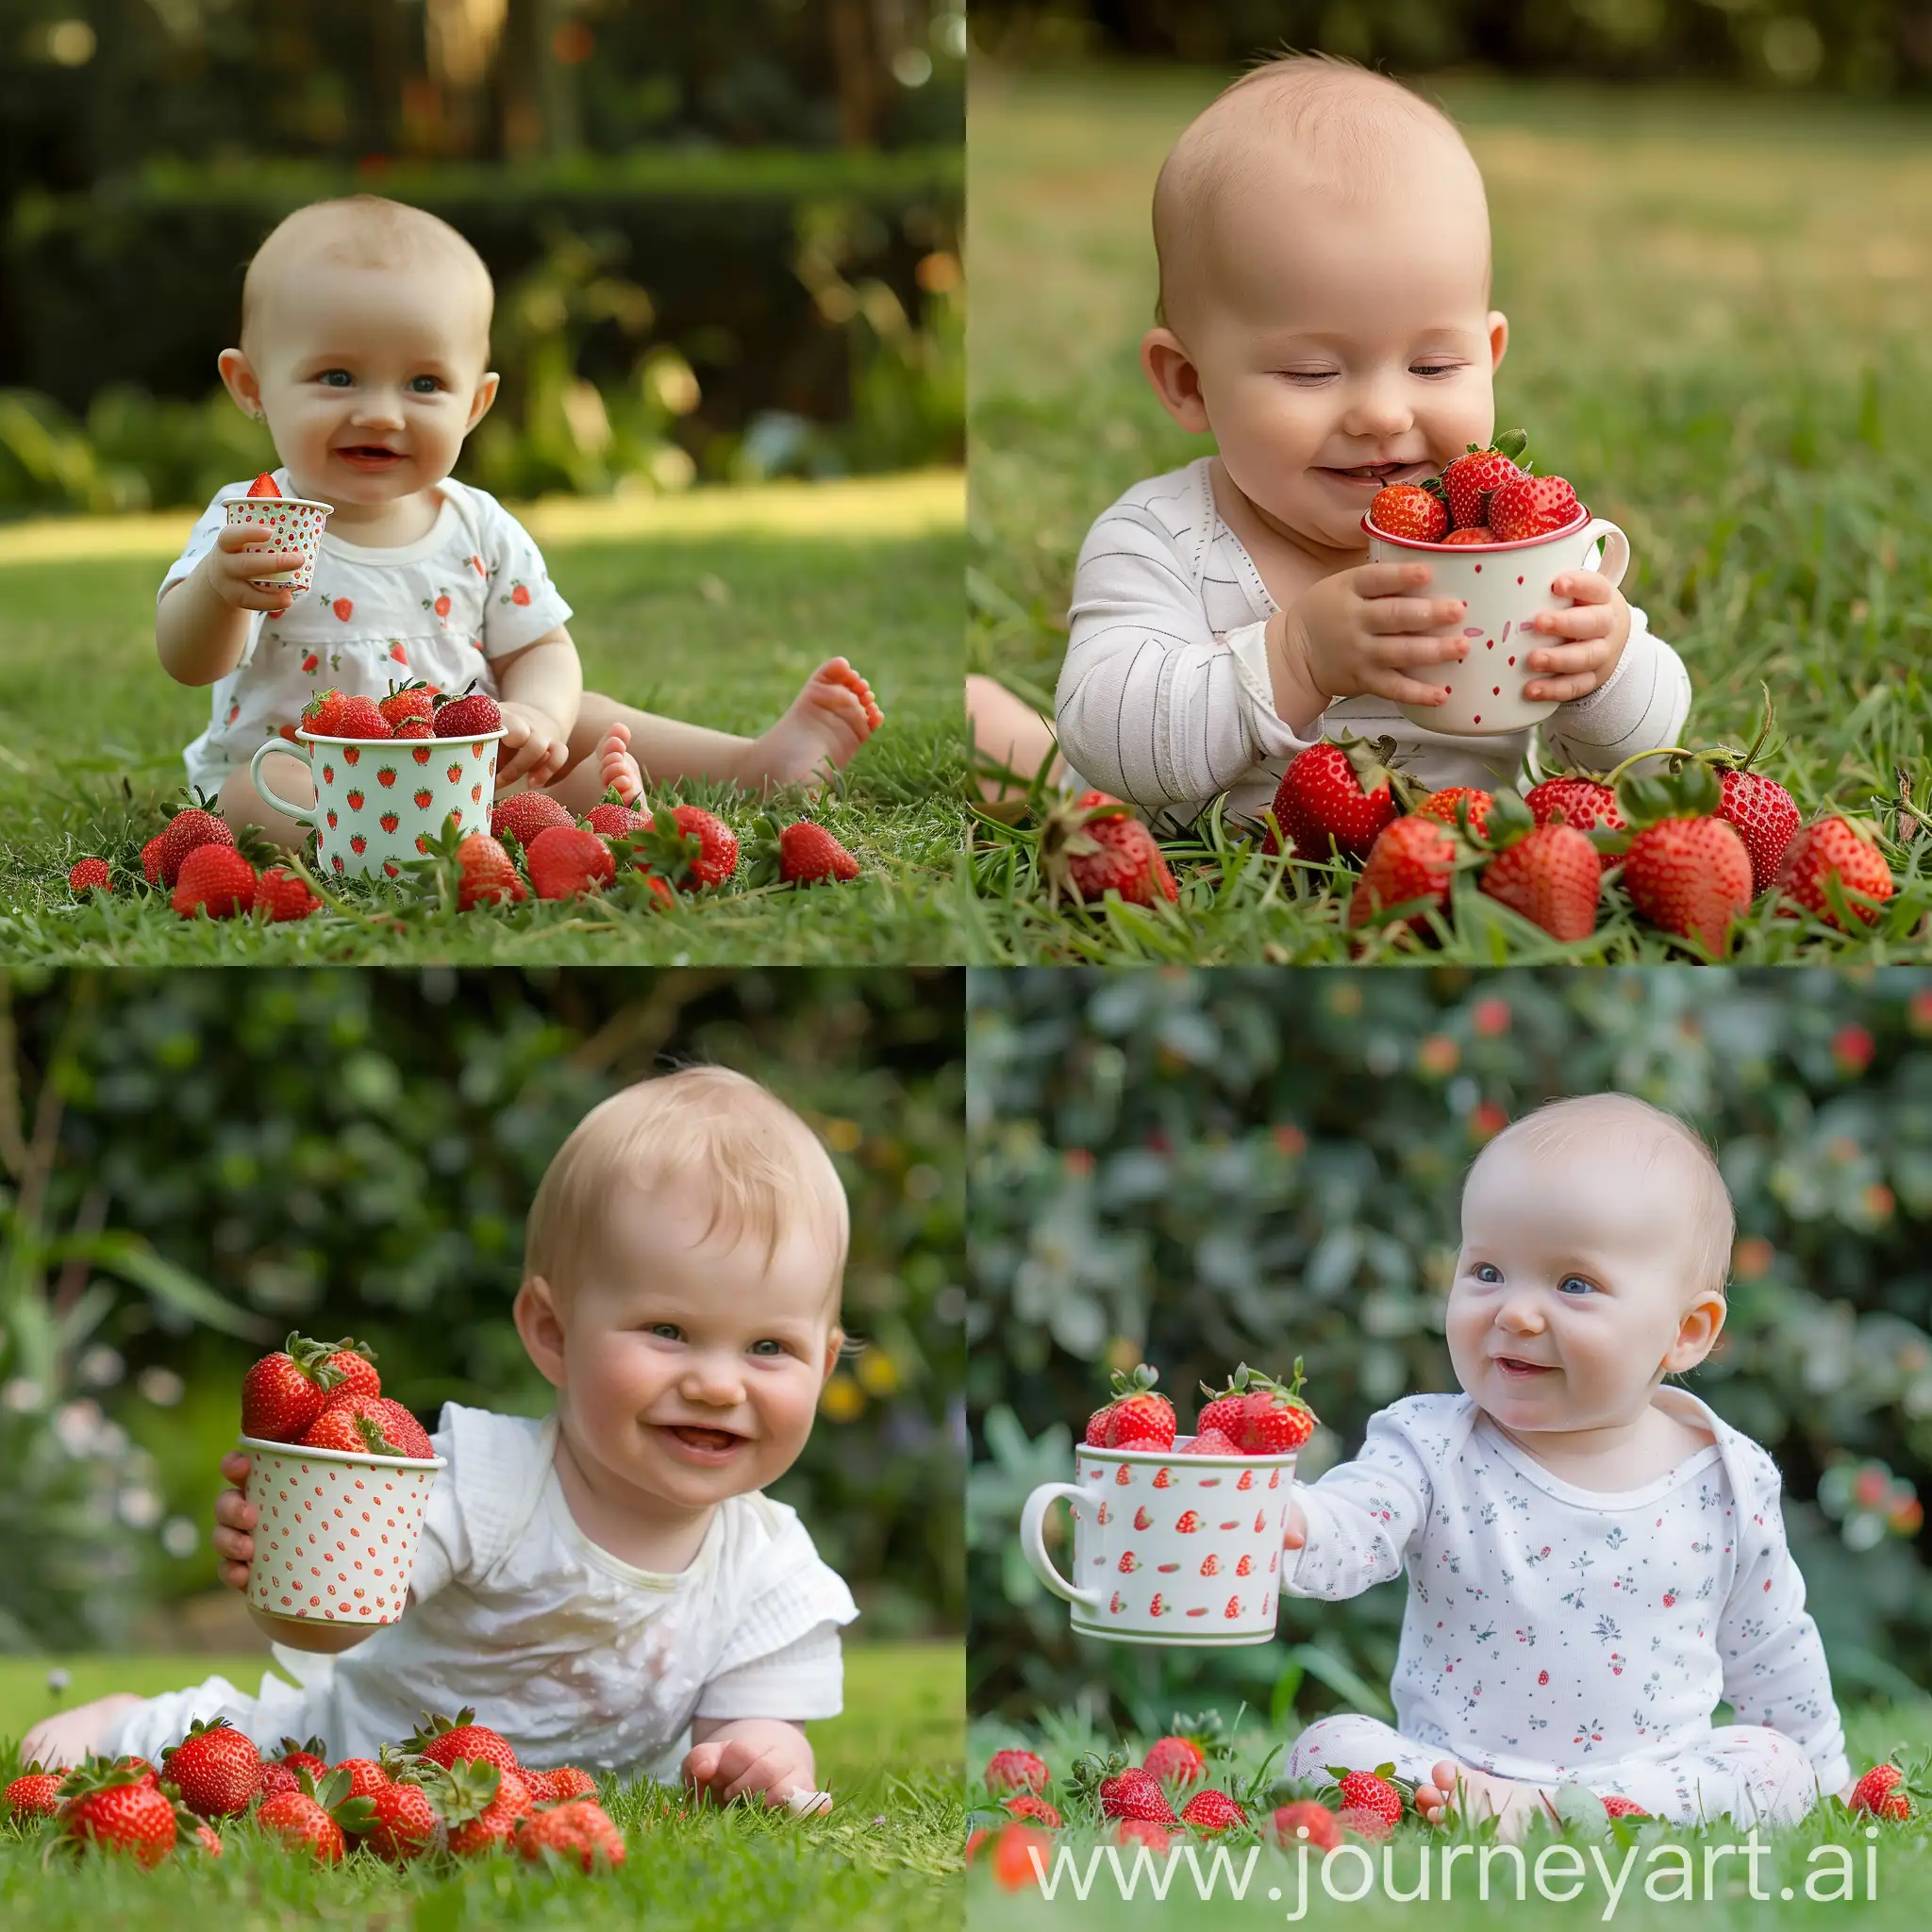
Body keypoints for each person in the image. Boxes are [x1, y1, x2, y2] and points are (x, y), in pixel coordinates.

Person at [25, 1067, 858, 1808]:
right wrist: (292, 1560)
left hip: (542, 1807)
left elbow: (759, 1725)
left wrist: (763, 1760)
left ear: (822, 1365)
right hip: (354, 1760)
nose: (718, 1383)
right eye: (669, 1330)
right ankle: (115, 1725)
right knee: (241, 1746)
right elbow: (335, 1619)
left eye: (767, 1348)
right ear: (554, 1333)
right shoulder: (491, 1482)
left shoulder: (770, 1566)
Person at [969, 55, 1689, 828]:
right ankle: (993, 730)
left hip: (1439, 844)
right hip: (1160, 821)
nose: (1381, 412)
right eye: (1311, 372)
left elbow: (1640, 751)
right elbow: (1110, 736)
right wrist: (1295, 659)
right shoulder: (1159, 540)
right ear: (1188, 382)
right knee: (1033, 760)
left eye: (1433, 364)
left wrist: (1607, 666)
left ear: (1490, 357)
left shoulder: (1508, 543)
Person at [160, 195, 882, 849]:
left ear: (475, 404)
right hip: (303, 767)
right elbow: (191, 662)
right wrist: (221, 591)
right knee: (253, 797)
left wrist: (537, 713)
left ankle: (754, 765)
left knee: (588, 713)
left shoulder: (477, 526)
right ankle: (508, 819)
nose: (381, 412)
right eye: (337, 377)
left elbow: (542, 647)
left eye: (424, 384)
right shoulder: (252, 522)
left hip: (470, 760)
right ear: (251, 386)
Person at [1277, 1093, 1850, 1836]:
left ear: (1687, 1332)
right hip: (1451, 1767)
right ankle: (1488, 1808)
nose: (1515, 1312)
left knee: (1770, 1767)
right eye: (1486, 1271)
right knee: (1328, 1749)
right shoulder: (1430, 1444)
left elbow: (1771, 1643)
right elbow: (1356, 1519)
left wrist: (1822, 1776)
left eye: (1574, 1284)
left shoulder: (1727, 1478)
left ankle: (1571, 1816)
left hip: (1646, 1778)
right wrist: (1290, 1521)